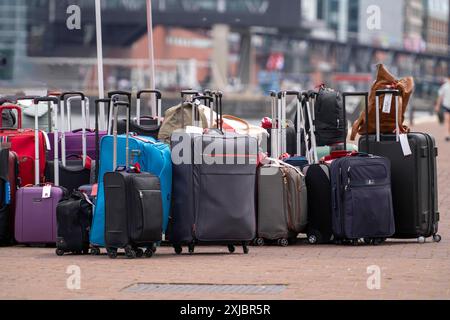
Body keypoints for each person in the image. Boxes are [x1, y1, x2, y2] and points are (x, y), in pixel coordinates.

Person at [435, 76, 450, 142]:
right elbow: (440, 96)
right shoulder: (444, 86)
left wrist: (437, 105)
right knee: (447, 120)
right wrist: (437, 105)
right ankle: (447, 134)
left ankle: (448, 134)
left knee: (448, 121)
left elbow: (440, 97)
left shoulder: (444, 86)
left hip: (446, 105)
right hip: (446, 106)